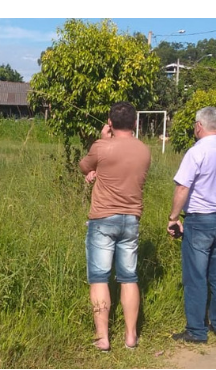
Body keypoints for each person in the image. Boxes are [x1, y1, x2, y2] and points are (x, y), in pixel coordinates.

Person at [79, 102, 151, 351]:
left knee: (99, 278)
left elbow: (84, 166)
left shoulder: (102, 146)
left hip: (102, 219)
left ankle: (103, 338)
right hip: (131, 219)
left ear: (109, 122)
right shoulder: (144, 150)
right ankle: (131, 336)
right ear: (135, 123)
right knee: (129, 277)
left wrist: (102, 140)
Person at [167, 106, 216, 343]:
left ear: (199, 125)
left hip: (200, 218)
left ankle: (197, 330)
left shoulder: (196, 152)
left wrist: (173, 217)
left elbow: (182, 187)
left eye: (194, 125)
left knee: (196, 275)